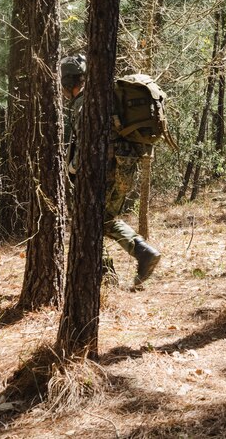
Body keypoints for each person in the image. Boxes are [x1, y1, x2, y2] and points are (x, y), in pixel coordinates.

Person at [60, 54, 162, 288]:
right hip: (127, 165)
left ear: (68, 83)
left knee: (90, 219)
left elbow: (86, 143)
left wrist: (73, 167)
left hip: (110, 168)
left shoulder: (83, 104)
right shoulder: (104, 97)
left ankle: (128, 263)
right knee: (102, 218)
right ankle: (122, 267)